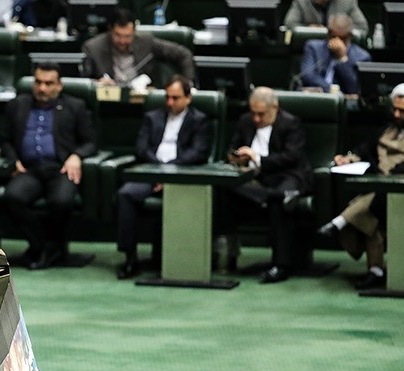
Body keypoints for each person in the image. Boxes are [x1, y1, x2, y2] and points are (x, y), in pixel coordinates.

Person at [1, 61, 97, 269]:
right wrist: (13, 159)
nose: (42, 88)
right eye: (38, 82)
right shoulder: (17, 105)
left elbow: (90, 142)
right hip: (29, 169)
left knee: (61, 201)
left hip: (60, 169)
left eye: (48, 83)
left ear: (59, 85)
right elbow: (5, 139)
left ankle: (46, 248)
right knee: (12, 197)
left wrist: (76, 156)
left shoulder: (75, 106)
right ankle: (44, 245)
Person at [116, 75, 212, 279]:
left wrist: (170, 173)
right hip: (152, 173)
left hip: (182, 176)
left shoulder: (199, 120)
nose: (170, 102)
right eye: (167, 97)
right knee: (126, 194)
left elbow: (198, 153)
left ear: (188, 98)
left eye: (176, 98)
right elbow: (141, 149)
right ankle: (130, 257)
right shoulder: (152, 117)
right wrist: (159, 171)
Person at [218, 86, 312, 283]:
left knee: (279, 203)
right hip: (255, 179)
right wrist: (236, 158)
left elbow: (291, 157)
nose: (256, 119)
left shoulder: (291, 123)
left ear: (274, 107)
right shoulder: (245, 121)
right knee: (224, 187)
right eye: (253, 113)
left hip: (286, 175)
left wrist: (258, 158)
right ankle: (225, 254)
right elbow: (232, 149)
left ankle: (281, 265)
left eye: (261, 114)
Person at [317, 83, 404, 289]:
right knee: (370, 216)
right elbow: (364, 150)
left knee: (372, 204)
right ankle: (375, 270)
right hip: (379, 188)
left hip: (400, 189)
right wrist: (348, 159)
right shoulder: (387, 130)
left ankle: (340, 221)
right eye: (395, 109)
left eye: (403, 111)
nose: (397, 115)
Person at [81, 8, 195, 87]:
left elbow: (183, 54)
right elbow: (85, 82)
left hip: (143, 102)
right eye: (118, 35)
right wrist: (97, 83)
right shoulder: (93, 48)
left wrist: (187, 85)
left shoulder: (146, 42)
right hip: (108, 101)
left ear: (134, 32)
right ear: (110, 30)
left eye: (127, 36)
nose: (122, 41)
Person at [299, 14, 371, 95]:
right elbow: (308, 76)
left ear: (350, 36)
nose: (337, 41)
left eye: (342, 38)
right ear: (328, 33)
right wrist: (330, 89)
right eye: (333, 36)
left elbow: (354, 88)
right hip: (316, 96)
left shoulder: (362, 57)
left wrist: (342, 58)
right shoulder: (313, 47)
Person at [284, 0, 369, 39]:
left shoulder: (347, 2)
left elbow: (362, 27)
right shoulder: (301, 2)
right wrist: (309, 28)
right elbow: (289, 24)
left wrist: (340, 28)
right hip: (308, 47)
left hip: (341, 45)